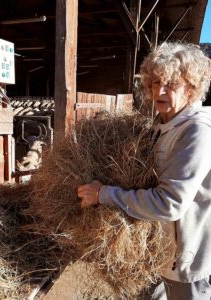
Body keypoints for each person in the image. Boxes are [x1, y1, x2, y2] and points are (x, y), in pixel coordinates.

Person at [77, 42, 211, 300]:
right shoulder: (161, 124)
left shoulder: (197, 131)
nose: (159, 90)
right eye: (155, 82)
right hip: (157, 250)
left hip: (186, 259)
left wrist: (103, 194)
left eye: (171, 84)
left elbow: (170, 203)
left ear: (192, 88)